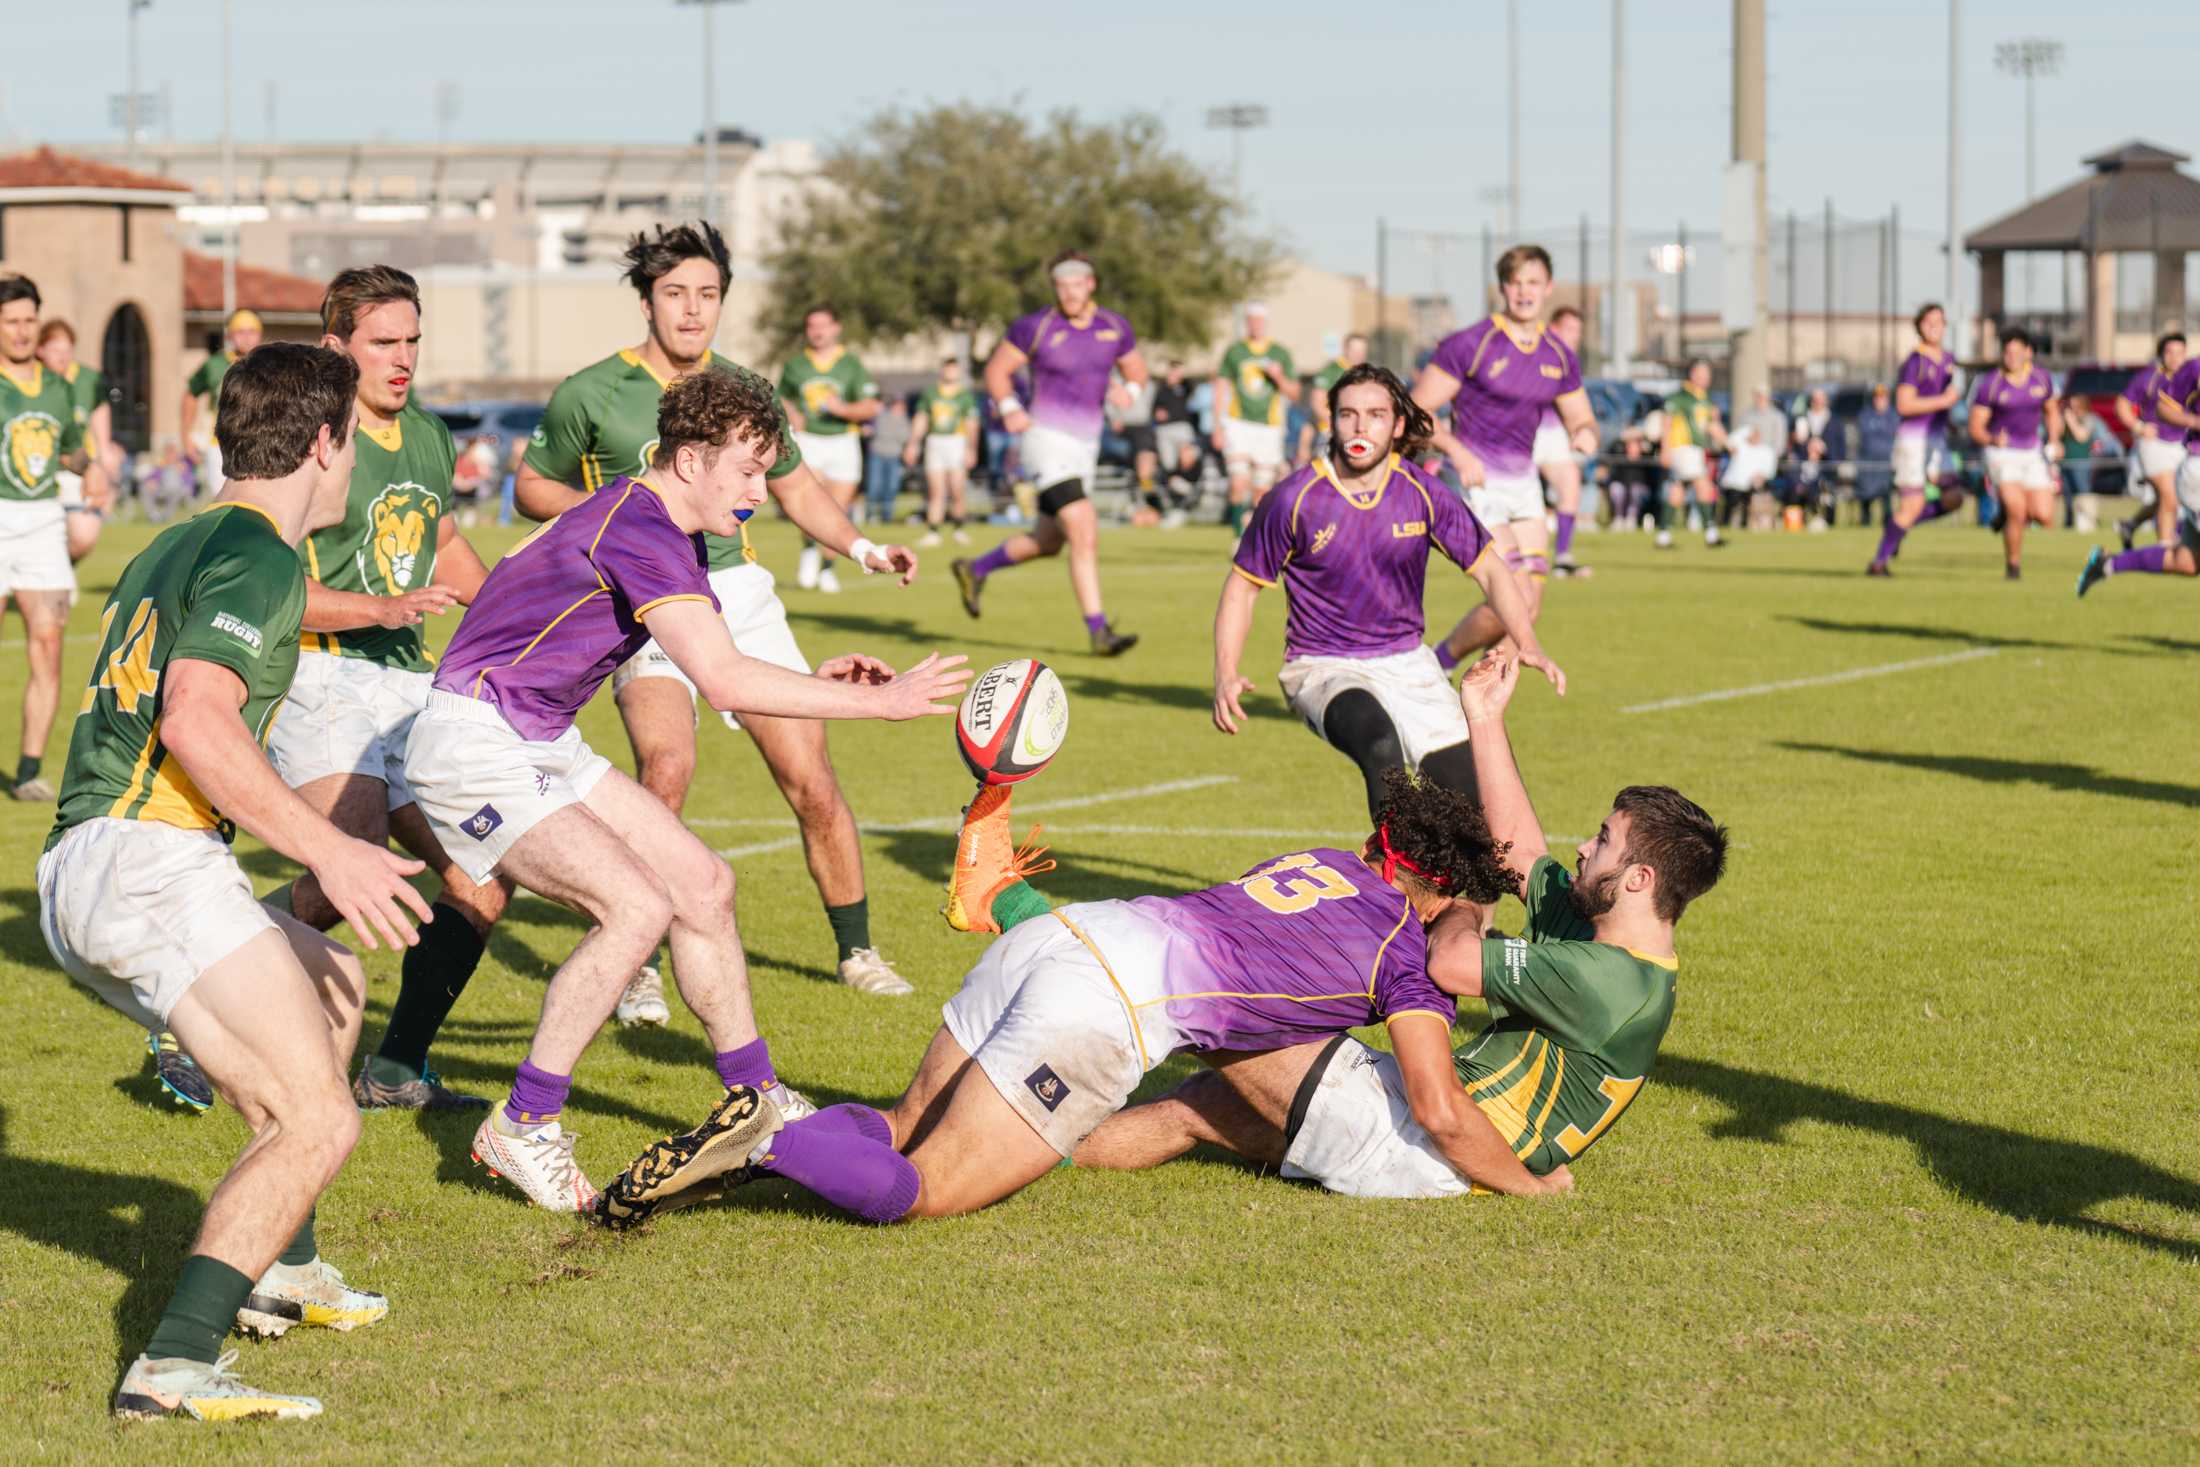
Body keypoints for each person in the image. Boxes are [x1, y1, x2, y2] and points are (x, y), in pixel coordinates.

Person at [414, 369, 970, 1211]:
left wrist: (816, 677)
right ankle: (524, 1122)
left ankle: (757, 1098)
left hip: (538, 738)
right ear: (687, 458)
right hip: (475, 743)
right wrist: (876, 703)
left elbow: (718, 660)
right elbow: (724, 679)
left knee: (704, 884)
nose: (760, 489)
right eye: (746, 470)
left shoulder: (657, 524)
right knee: (635, 908)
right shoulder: (639, 528)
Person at [593, 752, 1546, 1228]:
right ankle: (774, 1135)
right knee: (925, 1191)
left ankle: (771, 1139)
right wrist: (1531, 1185)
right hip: (1100, 1010)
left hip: (1063, 932)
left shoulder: (1320, 860)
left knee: (903, 1121)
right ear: (1441, 891)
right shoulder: (1405, 955)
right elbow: (1438, 1105)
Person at [40, 342, 432, 1422]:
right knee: (320, 1122)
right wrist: (329, 844)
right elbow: (198, 720)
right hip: (147, 859)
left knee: (333, 982)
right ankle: (171, 1368)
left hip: (102, 857)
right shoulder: (260, 555)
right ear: (323, 442)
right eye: (350, 439)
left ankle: (283, 1266)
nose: (351, 460)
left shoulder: (181, 538)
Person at [1075, 653, 1727, 1199]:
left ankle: (1020, 1096)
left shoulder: (1611, 984)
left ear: (1638, 879)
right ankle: (1038, 1147)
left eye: (1605, 841)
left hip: (1430, 1141)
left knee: (1218, 1001)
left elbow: (1449, 962)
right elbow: (1521, 854)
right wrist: (1484, 718)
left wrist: (1463, 904)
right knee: (1201, 1104)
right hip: (1419, 1117)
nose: (1583, 847)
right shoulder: (1603, 929)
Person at [515, 222, 921, 1004]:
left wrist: (862, 547)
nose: (692, 310)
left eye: (707, 294)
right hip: (644, 600)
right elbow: (531, 486)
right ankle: (636, 959)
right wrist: (620, 524)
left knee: (812, 779)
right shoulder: (593, 391)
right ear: (646, 301)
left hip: (737, 593)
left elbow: (798, 487)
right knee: (665, 768)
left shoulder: (747, 389)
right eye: (675, 294)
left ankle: (858, 949)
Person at [254, 264, 507, 1111]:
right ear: (336, 346)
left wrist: (520, 607)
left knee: (482, 871)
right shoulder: (308, 438)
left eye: (411, 342)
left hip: (408, 682)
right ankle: (196, 973)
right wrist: (382, 604)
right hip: (321, 671)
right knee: (346, 875)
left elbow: (439, 546)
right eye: (382, 343)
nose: (402, 360)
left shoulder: (430, 436)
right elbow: (269, 583)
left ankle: (394, 1067)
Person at [1213, 365, 1563, 821]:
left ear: (1397, 425)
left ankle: (1448, 893)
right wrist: (1225, 670)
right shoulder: (1294, 498)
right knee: (1381, 744)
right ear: (1332, 422)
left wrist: (1527, 641)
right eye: (1348, 415)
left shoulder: (1423, 493)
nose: (1360, 427)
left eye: (1375, 415)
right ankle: (1387, 885)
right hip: (1322, 666)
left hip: (1408, 664)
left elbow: (1494, 572)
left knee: (1473, 808)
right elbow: (1242, 587)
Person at [1414, 245, 1599, 670]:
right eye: (1515, 283)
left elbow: (1582, 418)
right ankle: (1439, 663)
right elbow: (1416, 411)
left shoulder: (1558, 355)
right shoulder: (1472, 344)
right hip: (1478, 483)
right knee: (1515, 598)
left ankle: (1476, 698)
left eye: (1533, 282)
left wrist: (1585, 434)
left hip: (1524, 486)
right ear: (1502, 288)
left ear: (1548, 288)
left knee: (1526, 611)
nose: (1524, 292)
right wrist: (1457, 451)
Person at [957, 249, 1147, 655]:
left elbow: (1137, 371)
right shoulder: (1035, 326)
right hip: (1045, 441)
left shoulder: (1114, 327)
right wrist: (1009, 407)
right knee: (1084, 527)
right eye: (1061, 285)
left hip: (1085, 447)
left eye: (1076, 284)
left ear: (1090, 284)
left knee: (1048, 542)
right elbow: (995, 371)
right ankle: (1099, 631)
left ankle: (976, 568)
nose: (1069, 292)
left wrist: (1127, 392)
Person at [0, 275, 104, 803]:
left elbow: (70, 449)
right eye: (11, 321)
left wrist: (93, 468)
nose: (22, 331)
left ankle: (28, 771)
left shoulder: (60, 386)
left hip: (42, 521)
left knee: (48, 640)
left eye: (28, 320)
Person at [779, 305, 882, 593]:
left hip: (843, 440)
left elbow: (871, 406)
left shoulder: (851, 364)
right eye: (812, 326)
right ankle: (809, 549)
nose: (818, 331)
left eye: (823, 325)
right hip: (810, 439)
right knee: (808, 499)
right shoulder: (796, 365)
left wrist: (843, 408)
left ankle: (828, 568)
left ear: (836, 327)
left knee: (838, 508)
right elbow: (780, 396)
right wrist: (793, 414)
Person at [1867, 304, 1967, 576]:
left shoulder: (1949, 359)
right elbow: (1904, 405)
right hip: (1913, 441)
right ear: (1919, 327)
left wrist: (1949, 421)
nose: (1934, 326)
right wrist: (1943, 401)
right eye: (1928, 321)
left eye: (1939, 321)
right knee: (1913, 505)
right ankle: (1879, 562)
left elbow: (1944, 403)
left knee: (1954, 498)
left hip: (1937, 441)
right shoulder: (1915, 362)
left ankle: (1896, 529)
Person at [1970, 329, 2061, 581]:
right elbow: (1975, 427)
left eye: (2016, 352)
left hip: (2032, 451)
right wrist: (1991, 438)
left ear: (2028, 353)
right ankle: (2013, 566)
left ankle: (2003, 515)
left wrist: (2054, 440)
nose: (2010, 357)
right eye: (2006, 352)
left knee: (2044, 515)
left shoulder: (2041, 378)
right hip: (2001, 453)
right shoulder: (1990, 383)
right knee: (2018, 509)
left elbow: (2052, 411)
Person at [1214, 302, 1300, 532]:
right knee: (1238, 483)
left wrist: (1278, 377)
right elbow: (1220, 387)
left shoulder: (1279, 353)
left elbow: (1295, 393)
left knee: (1261, 490)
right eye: (1251, 320)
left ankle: (1252, 537)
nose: (1255, 325)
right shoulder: (1235, 351)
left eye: (1259, 320)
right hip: (1238, 423)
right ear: (1246, 322)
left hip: (1269, 427)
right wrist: (1217, 426)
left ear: (1266, 323)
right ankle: (1237, 539)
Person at [35, 319, 114, 562]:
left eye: (67, 350)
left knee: (84, 536)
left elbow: (99, 408)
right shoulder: (30, 380)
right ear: (40, 350)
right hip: (39, 470)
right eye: (56, 350)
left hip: (77, 465)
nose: (63, 356)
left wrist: (104, 452)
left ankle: (61, 569)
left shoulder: (85, 379)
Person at [1532, 307, 1596, 574]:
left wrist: (1584, 430)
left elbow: (1575, 405)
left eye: (1579, 331)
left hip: (1552, 432)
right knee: (1520, 497)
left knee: (1570, 484)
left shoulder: (1567, 359)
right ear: (1553, 328)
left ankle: (1562, 558)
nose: (1576, 336)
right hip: (1522, 431)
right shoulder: (1532, 348)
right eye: (1570, 329)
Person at [2115, 333, 2186, 550]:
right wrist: (2138, 426)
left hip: (2181, 445)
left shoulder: (2192, 378)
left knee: (2163, 500)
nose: (2174, 358)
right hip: (2153, 444)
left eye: (2179, 353)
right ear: (2161, 354)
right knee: (2169, 496)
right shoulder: (2149, 378)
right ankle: (2165, 549)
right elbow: (2122, 404)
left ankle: (2130, 525)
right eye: (2169, 352)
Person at [182, 308, 263, 492]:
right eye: (240, 332)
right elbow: (190, 394)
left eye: (252, 332)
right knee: (222, 499)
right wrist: (187, 435)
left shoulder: (269, 362)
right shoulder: (215, 365)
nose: (246, 338)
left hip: (259, 439)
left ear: (260, 334)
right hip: (220, 443)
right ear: (229, 335)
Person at [1655, 359, 1726, 549]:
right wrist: (1665, 449)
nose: (1705, 377)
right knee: (1703, 486)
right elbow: (1667, 423)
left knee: (1677, 490)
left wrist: (1727, 442)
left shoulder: (1704, 398)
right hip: (1682, 448)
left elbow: (1711, 426)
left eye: (1707, 374)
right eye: (1701, 373)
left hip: (1695, 450)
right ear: (1692, 373)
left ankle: (1663, 536)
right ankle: (1711, 535)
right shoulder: (1680, 397)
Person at [910, 356, 977, 546]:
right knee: (936, 490)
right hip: (935, 441)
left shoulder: (964, 396)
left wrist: (971, 448)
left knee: (957, 489)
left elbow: (972, 423)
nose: (951, 373)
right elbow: (921, 418)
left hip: (957, 442)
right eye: (948, 369)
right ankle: (933, 531)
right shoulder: (931, 394)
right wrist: (913, 443)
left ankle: (958, 529)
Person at [1297, 333, 1369, 469]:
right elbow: (1317, 403)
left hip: (1358, 434)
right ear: (1346, 349)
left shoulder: (1366, 373)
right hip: (1331, 434)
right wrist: (1339, 424)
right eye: (1355, 350)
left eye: (1362, 351)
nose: (1359, 355)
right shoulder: (1332, 370)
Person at [1150, 359, 1202, 524]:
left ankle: (1186, 489)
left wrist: (1182, 374)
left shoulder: (1185, 387)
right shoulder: (1161, 389)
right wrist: (1158, 414)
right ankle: (1175, 498)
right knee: (1168, 464)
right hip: (1165, 429)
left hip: (1182, 428)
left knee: (1186, 458)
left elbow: (1193, 384)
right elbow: (1154, 409)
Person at [863, 393, 911, 528]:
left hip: (894, 457)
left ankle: (887, 517)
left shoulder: (905, 421)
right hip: (877, 455)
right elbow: (872, 430)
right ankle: (871, 515)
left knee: (891, 487)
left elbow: (905, 438)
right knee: (874, 486)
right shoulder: (881, 416)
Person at [1853, 382, 1899, 524]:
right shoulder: (1866, 415)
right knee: (1866, 496)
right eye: (1877, 397)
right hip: (1868, 463)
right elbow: (1865, 438)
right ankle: (1865, 523)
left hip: (1887, 463)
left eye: (1882, 397)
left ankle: (1887, 523)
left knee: (1886, 497)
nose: (1879, 400)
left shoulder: (1894, 416)